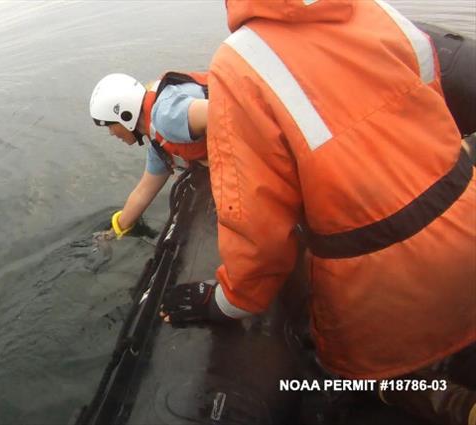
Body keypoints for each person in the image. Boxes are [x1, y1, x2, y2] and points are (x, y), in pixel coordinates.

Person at [156, 0, 475, 423]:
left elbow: (259, 234)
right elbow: (431, 112)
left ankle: (433, 399)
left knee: (342, 380)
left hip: (382, 289)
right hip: (468, 230)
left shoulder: (239, 64)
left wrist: (226, 302)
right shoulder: (376, 9)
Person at [89, 72, 209, 238]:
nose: (111, 133)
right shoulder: (158, 147)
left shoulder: (166, 116)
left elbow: (221, 113)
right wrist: (112, 233)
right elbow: (143, 192)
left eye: (110, 125)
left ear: (125, 115)